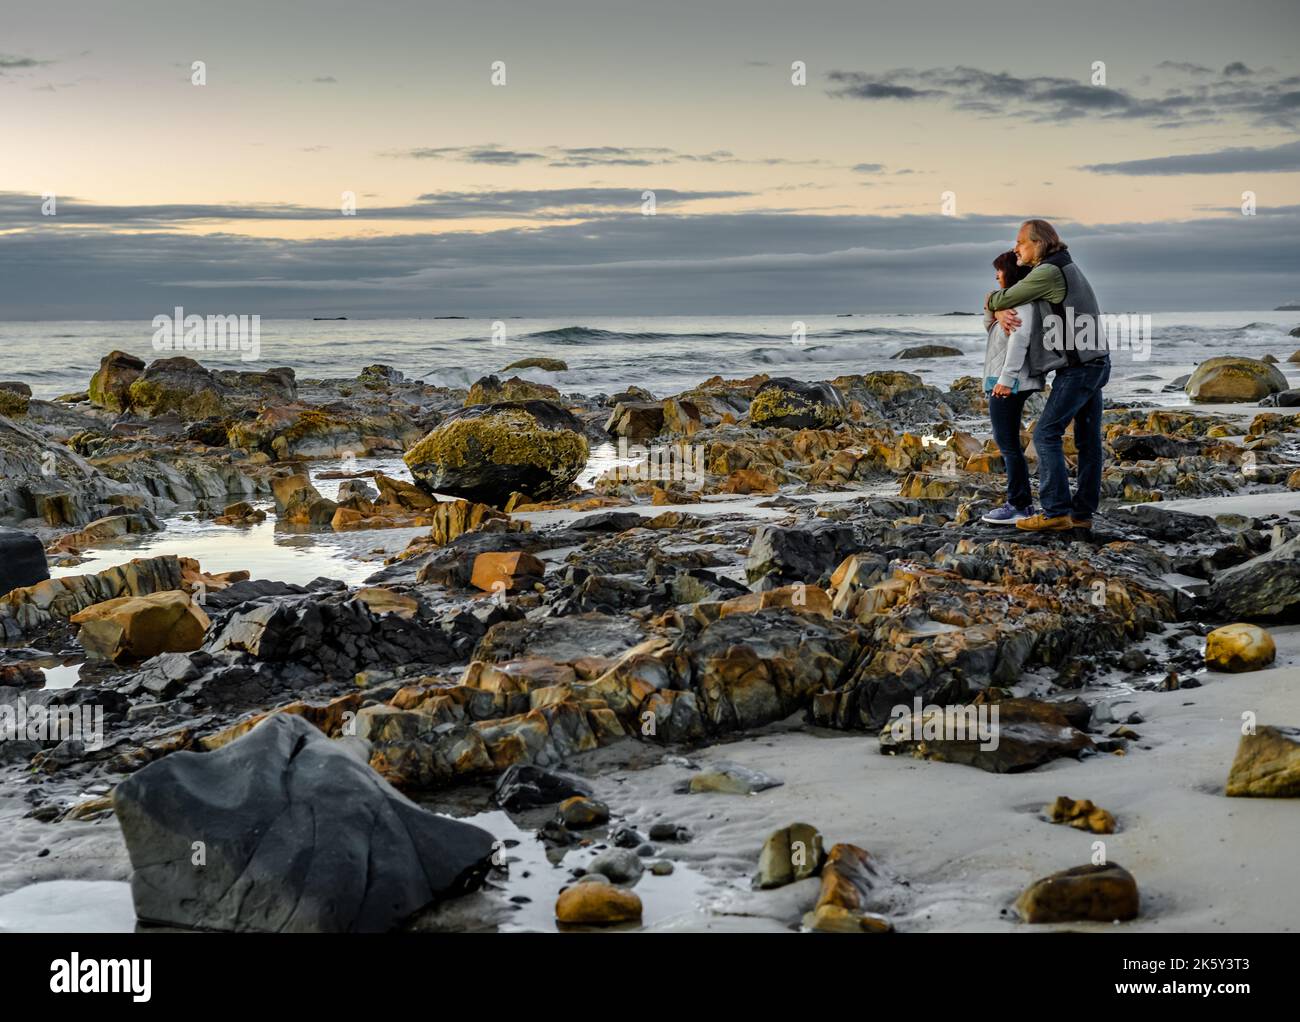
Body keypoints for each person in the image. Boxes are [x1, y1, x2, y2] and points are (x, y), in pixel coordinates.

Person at [983, 219, 1110, 532]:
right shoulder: (1066, 266)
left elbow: (1003, 297)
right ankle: (1081, 514)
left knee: (1044, 435)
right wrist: (999, 309)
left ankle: (1055, 512)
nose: (1016, 249)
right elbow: (1009, 300)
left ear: (1038, 243)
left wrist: (995, 305)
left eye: (1020, 243)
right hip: (1096, 361)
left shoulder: (1049, 271)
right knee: (1088, 441)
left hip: (1079, 367)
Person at [980, 251, 1046, 525]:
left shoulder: (1023, 306)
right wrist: (994, 308)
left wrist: (1006, 381)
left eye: (999, 271)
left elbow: (1019, 344)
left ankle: (1019, 505)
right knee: (1007, 442)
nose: (996, 276)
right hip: (1009, 380)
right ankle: (1021, 503)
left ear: (1011, 272)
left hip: (1010, 382)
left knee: (1007, 444)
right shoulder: (1012, 303)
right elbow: (988, 326)